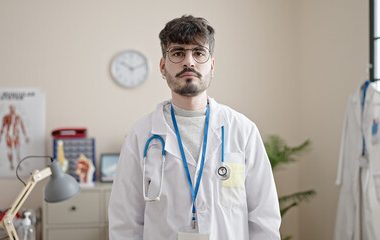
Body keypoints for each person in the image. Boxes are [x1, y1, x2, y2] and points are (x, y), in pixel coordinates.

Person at [108, 15, 281, 240]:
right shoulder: (141, 135)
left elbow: (264, 218)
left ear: (212, 65)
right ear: (163, 66)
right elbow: (125, 222)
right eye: (178, 53)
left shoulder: (242, 130)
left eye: (199, 53)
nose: (189, 61)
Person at [0, 104, 29, 170]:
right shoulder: (6, 117)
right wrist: (0, 136)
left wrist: (25, 136)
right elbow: (2, 127)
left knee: (17, 151)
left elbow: (22, 127)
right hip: (9, 136)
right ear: (10, 109)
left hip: (16, 136)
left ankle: (19, 165)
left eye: (13, 109)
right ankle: (11, 164)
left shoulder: (18, 117)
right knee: (10, 151)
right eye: (11, 109)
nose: (12, 110)